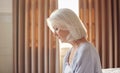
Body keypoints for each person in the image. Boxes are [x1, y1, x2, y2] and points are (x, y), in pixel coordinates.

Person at [46, 8, 102, 73]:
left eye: (56, 29)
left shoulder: (86, 50)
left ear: (68, 26)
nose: (54, 34)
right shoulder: (69, 52)